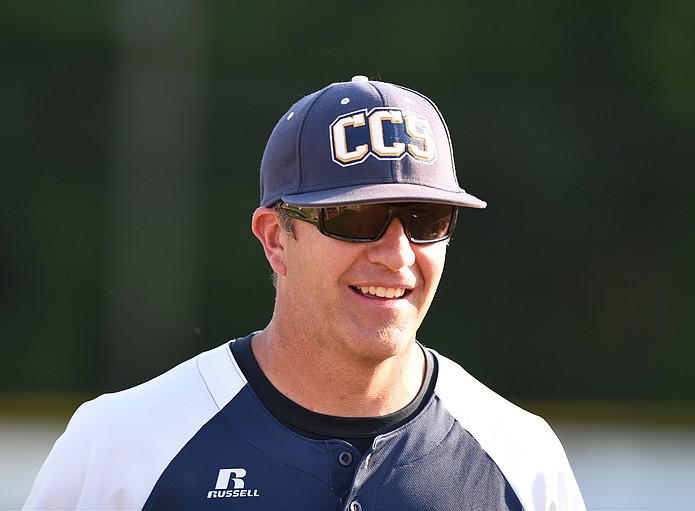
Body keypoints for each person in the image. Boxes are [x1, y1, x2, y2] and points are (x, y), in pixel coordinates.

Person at [24, 76, 586, 511]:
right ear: (276, 240)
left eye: (425, 218)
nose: (396, 254)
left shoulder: (522, 458)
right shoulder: (125, 446)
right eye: (355, 217)